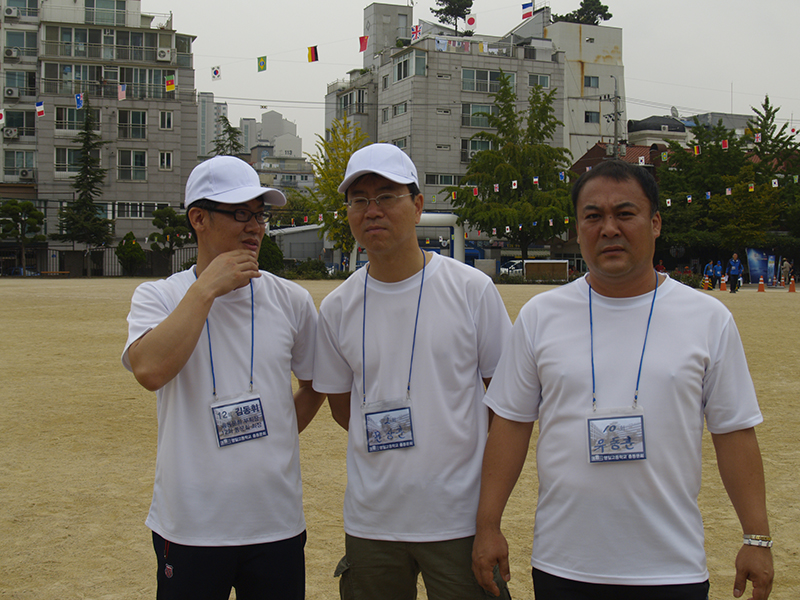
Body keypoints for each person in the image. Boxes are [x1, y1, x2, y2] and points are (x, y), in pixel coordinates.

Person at [472, 160, 773, 600]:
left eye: (625, 214)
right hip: (565, 564)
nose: (609, 228)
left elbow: (734, 433)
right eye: (593, 216)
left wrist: (757, 538)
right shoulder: (540, 316)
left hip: (671, 568)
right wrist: (487, 527)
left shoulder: (708, 318)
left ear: (655, 223)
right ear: (577, 229)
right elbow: (510, 427)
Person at [312, 143, 513, 600]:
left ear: (418, 205)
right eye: (359, 200)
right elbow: (344, 410)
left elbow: (503, 405)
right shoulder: (338, 307)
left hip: (457, 520)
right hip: (372, 523)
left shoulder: (471, 290)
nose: (372, 210)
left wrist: (487, 517)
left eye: (387, 196)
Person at [121, 156, 324, 600]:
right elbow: (150, 370)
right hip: (191, 524)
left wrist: (276, 435)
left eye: (260, 215)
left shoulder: (291, 300)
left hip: (275, 522)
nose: (255, 227)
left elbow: (314, 385)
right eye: (240, 213)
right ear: (199, 219)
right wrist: (207, 288)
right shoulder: (160, 296)